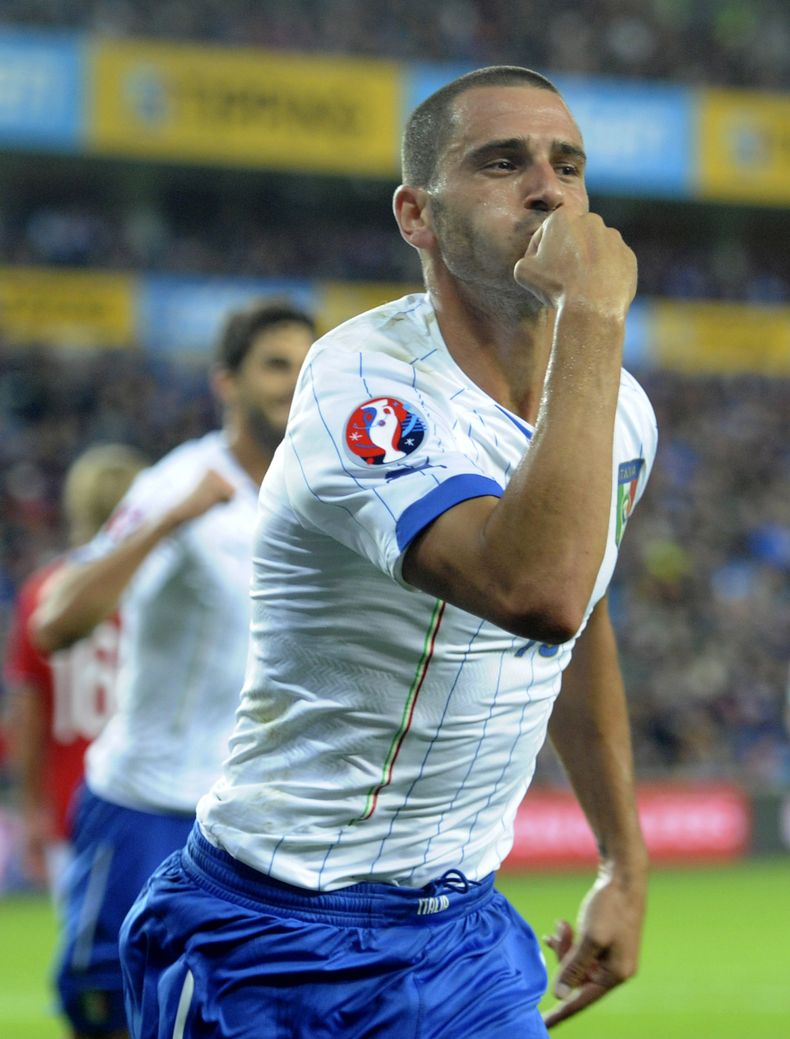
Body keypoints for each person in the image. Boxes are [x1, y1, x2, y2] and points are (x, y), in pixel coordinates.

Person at [120, 66, 658, 1039]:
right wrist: (595, 320)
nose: (546, 189)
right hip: (272, 928)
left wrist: (623, 859)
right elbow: (532, 590)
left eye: (567, 165)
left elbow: (580, 609)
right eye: (503, 162)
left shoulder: (619, 412)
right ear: (416, 214)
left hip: (462, 939)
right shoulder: (359, 384)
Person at [31, 299, 315, 1039]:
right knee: (108, 1013)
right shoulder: (179, 481)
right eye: (275, 364)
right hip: (145, 808)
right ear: (227, 382)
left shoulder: (318, 499)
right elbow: (55, 621)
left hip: (245, 828)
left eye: (305, 365)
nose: (293, 382)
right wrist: (170, 519)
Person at [3, 443, 147, 893]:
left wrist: (32, 810)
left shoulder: (45, 592)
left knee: (87, 950)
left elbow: (28, 715)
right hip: (159, 796)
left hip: (71, 801)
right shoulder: (164, 588)